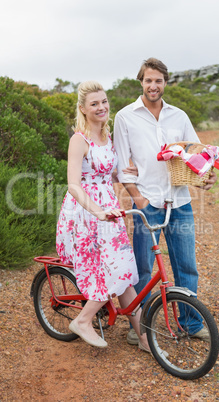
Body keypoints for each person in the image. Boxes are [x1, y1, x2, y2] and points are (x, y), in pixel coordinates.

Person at [113, 57, 218, 345]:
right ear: (141, 82)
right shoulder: (125, 117)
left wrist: (208, 175)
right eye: (148, 80)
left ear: (165, 83)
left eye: (158, 80)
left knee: (186, 265)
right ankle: (139, 326)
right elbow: (122, 164)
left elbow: (199, 154)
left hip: (179, 202)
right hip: (146, 204)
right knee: (143, 268)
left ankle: (191, 323)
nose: (153, 85)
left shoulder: (179, 116)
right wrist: (138, 198)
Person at [56, 81, 149, 351]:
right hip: (85, 213)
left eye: (104, 101)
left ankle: (143, 339)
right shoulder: (79, 139)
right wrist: (97, 211)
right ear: (83, 109)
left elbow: (115, 175)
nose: (101, 107)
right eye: (94, 103)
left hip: (109, 211)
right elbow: (73, 184)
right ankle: (83, 320)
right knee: (116, 270)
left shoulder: (107, 138)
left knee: (125, 271)